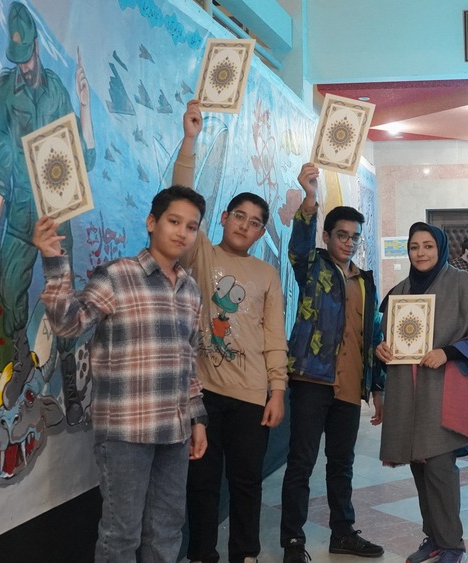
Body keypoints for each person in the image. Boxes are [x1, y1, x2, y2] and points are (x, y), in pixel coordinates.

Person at [33, 186, 208, 563]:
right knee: (121, 534)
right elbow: (67, 325)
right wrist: (53, 261)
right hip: (126, 432)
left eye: (191, 227)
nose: (182, 232)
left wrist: (198, 420)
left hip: (175, 431)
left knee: (166, 529)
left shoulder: (191, 290)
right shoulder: (116, 276)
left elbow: (188, 360)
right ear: (152, 222)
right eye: (174, 221)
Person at [173, 101, 288, 563]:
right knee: (201, 482)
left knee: (245, 483)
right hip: (203, 393)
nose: (246, 225)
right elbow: (180, 199)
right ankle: (202, 554)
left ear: (260, 233)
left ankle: (246, 554)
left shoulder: (267, 274)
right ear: (223, 218)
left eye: (256, 222)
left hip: (251, 395)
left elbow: (274, 337)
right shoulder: (201, 254)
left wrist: (277, 392)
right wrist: (190, 141)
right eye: (239, 216)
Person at [0, 1, 96, 421]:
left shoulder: (56, 91)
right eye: (18, 59)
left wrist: (84, 106)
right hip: (20, 215)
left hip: (56, 213)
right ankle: (20, 357)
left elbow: (83, 160)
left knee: (61, 298)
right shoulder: (5, 91)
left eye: (27, 56)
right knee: (11, 288)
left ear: (37, 48)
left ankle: (69, 376)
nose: (24, 67)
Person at [281, 163, 385, 562]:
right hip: (312, 379)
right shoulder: (312, 267)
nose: (349, 243)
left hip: (349, 385)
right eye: (342, 235)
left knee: (342, 464)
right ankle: (293, 542)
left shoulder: (364, 280)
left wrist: (376, 387)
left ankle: (343, 533)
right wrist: (310, 198)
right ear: (327, 237)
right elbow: (298, 246)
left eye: (355, 237)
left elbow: (371, 337)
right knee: (301, 463)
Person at [375, 222, 468, 563]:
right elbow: (385, 339)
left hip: (442, 386)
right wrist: (381, 348)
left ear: (440, 248)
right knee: (419, 466)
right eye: (414, 247)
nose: (421, 253)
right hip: (406, 392)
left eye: (428, 246)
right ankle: (435, 538)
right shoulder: (399, 292)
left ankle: (453, 544)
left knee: (440, 467)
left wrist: (448, 352)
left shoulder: (461, 283)